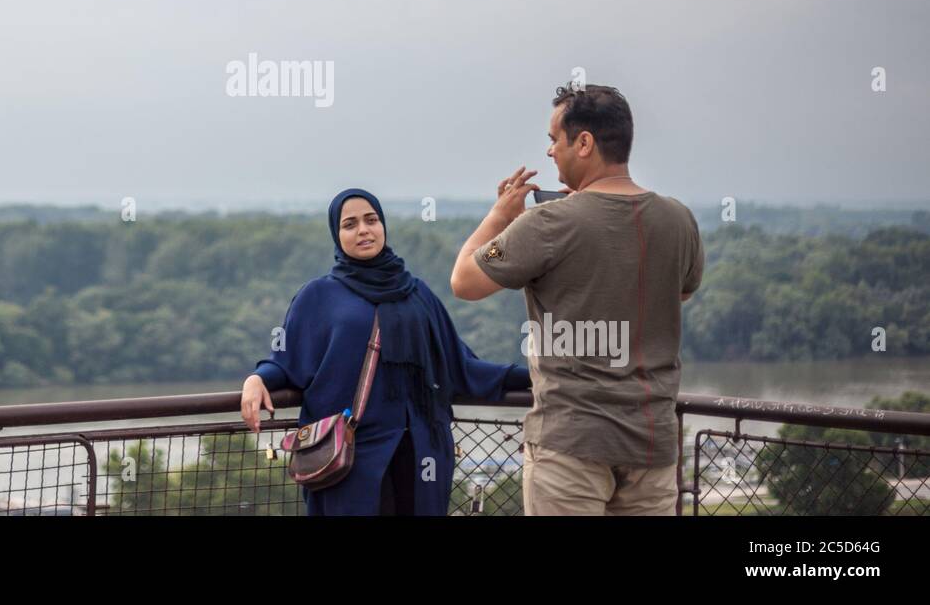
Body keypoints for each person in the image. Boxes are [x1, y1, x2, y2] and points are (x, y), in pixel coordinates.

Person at [450, 83, 705, 515]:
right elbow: (679, 292)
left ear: (583, 142)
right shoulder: (678, 218)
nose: (550, 153)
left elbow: (466, 280)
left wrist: (499, 217)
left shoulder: (548, 222)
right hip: (653, 444)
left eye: (554, 140)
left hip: (570, 446)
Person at [241, 187, 531, 516]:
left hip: (421, 453)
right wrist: (256, 379)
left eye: (371, 220)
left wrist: (535, 377)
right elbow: (287, 360)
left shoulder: (416, 293)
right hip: (352, 458)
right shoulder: (319, 296)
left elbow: (459, 365)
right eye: (350, 224)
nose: (364, 230)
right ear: (336, 235)